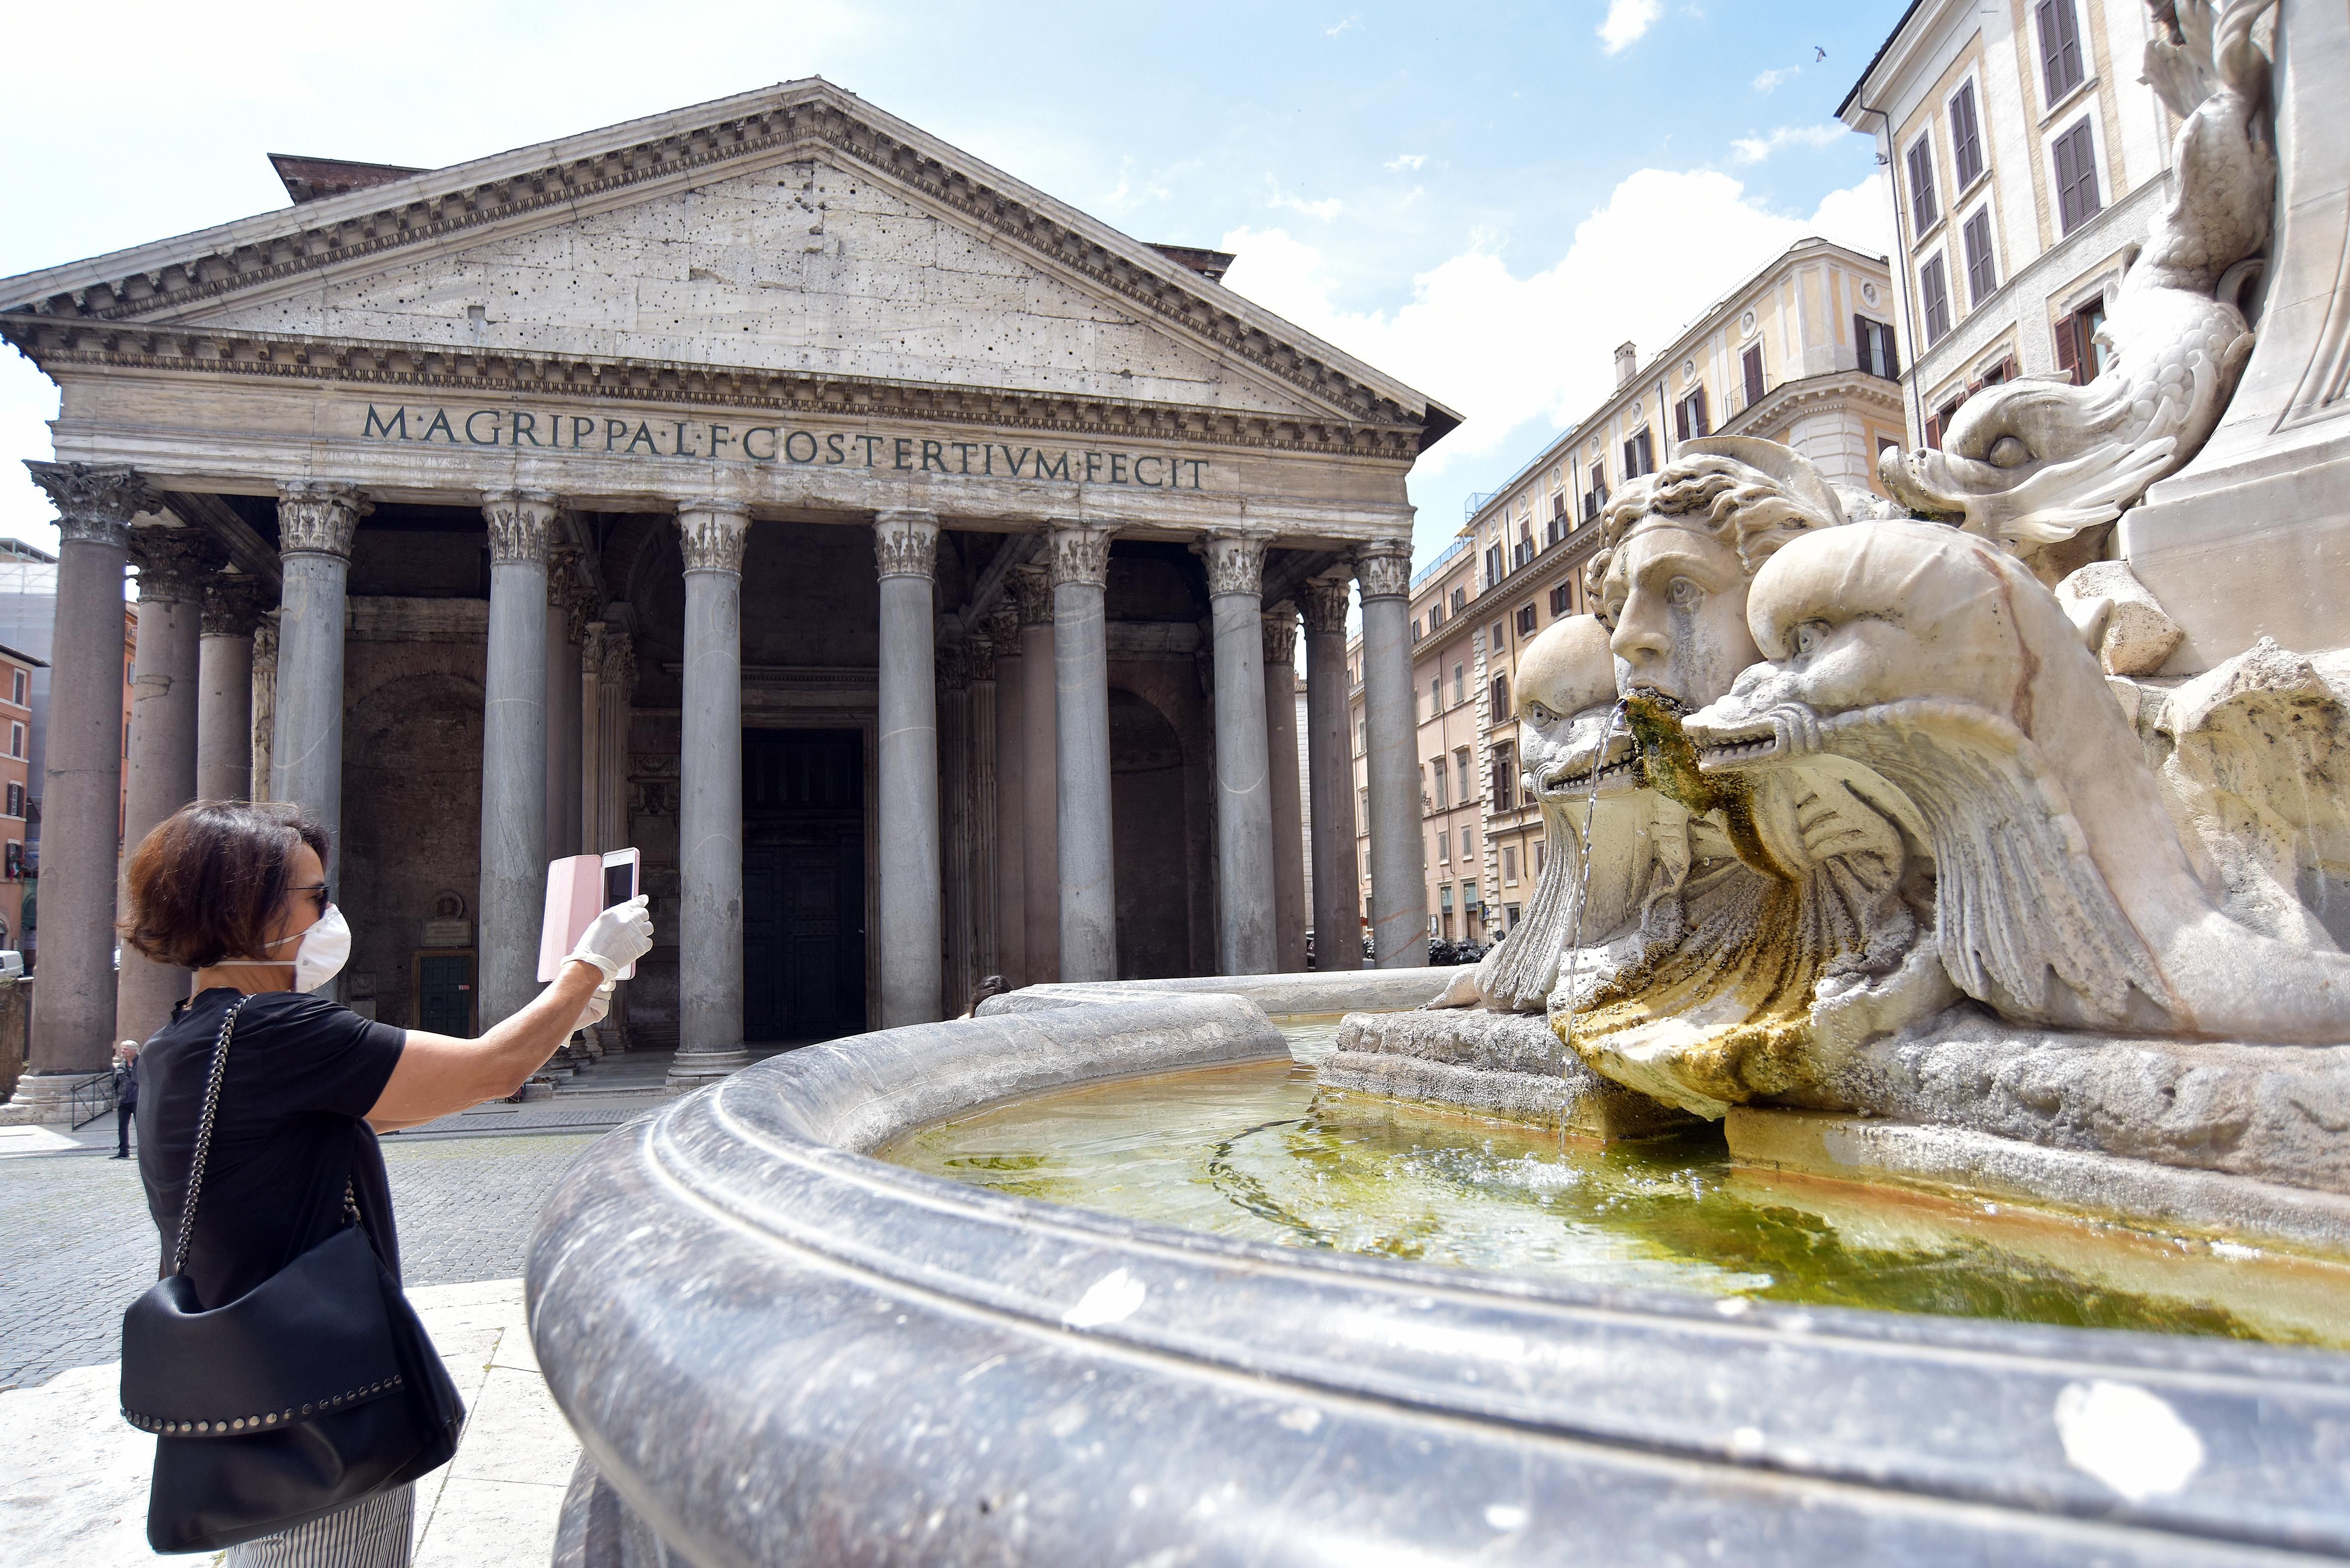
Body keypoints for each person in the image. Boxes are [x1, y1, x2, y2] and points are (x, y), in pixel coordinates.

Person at [121, 800, 653, 1567]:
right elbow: (490, 1070)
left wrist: (559, 1020)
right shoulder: (278, 1033)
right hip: (321, 1396)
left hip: (260, 1381)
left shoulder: (188, 1036)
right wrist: (590, 963)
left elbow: (389, 1107)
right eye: (315, 895)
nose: (329, 912)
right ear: (247, 904)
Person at [110, 1040, 138, 1158]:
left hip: (138, 1101)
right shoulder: (121, 1066)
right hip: (124, 1101)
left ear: (134, 1051)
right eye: (122, 1049)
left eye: (125, 1049)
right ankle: (123, 1152)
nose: (122, 1051)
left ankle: (144, 1152)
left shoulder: (143, 1064)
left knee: (141, 1128)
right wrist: (118, 1096)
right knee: (122, 1127)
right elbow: (116, 1084)